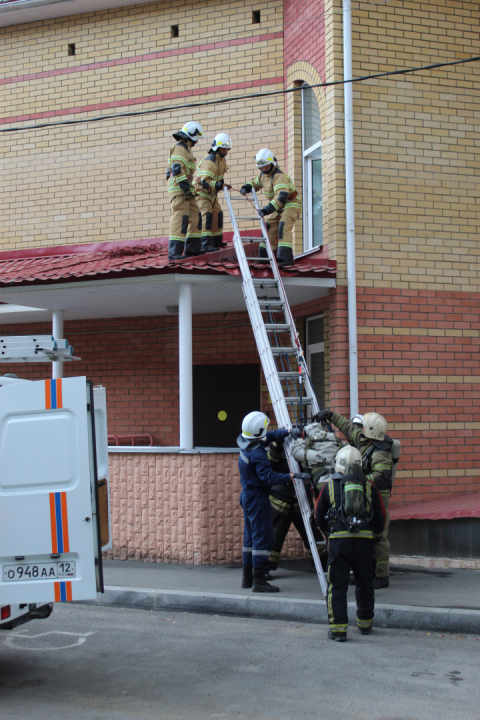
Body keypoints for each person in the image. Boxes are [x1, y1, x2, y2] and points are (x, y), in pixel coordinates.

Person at [315, 409, 393, 589]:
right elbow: (348, 427)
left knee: (379, 538)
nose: (360, 428)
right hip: (365, 494)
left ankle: (382, 576)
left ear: (370, 430)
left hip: (377, 498)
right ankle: (367, 573)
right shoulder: (365, 440)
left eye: (364, 426)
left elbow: (380, 478)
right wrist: (330, 415)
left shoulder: (381, 452)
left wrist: (358, 481)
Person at [315, 445, 385, 641]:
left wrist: (328, 533)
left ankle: (338, 629)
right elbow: (380, 516)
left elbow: (319, 514)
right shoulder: (370, 486)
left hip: (339, 542)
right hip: (364, 542)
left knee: (337, 585)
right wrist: (376, 538)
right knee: (365, 583)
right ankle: (365, 624)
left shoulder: (329, 486)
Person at [237, 411, 307, 592]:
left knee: (250, 538)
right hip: (258, 499)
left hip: (247, 496)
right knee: (263, 538)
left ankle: (247, 578)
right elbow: (269, 477)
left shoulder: (247, 444)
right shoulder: (258, 455)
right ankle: (259, 581)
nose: (266, 431)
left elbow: (266, 437)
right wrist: (293, 475)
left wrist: (286, 432)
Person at [266, 439, 326, 573]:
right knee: (274, 536)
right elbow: (270, 465)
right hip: (280, 502)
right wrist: (277, 443)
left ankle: (323, 563)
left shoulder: (306, 449)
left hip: (301, 501)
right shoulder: (277, 447)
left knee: (312, 534)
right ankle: (265, 568)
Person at [240, 148, 302, 266]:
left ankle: (286, 259)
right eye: (261, 167)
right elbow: (255, 183)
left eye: (266, 166)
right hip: (279, 207)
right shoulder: (263, 175)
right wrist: (246, 187)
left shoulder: (279, 176)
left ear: (272, 163)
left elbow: (281, 197)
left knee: (283, 225)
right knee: (269, 227)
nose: (263, 169)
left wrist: (266, 210)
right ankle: (265, 258)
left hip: (291, 203)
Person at [167, 121, 205, 260]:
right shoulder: (180, 148)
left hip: (186, 188)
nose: (196, 142)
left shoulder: (186, 149)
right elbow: (176, 169)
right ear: (192, 135)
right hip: (179, 189)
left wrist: (189, 188)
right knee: (181, 218)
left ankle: (192, 249)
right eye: (196, 139)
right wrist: (185, 188)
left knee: (195, 216)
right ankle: (174, 252)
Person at [195, 133, 232, 253]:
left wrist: (222, 184)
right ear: (217, 147)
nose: (226, 150)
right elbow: (205, 182)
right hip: (202, 194)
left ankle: (216, 240)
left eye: (227, 148)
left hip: (212, 194)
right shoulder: (210, 160)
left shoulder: (221, 160)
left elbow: (219, 177)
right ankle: (205, 243)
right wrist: (218, 185)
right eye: (224, 148)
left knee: (218, 214)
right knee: (207, 215)